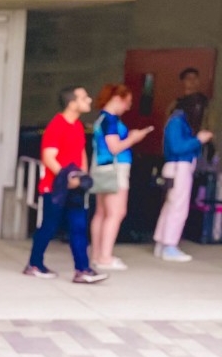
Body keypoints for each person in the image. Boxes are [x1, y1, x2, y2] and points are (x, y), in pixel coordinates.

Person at [23, 86, 108, 284]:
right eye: (84, 97)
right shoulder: (57, 125)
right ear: (72, 103)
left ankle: (82, 270)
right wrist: (66, 178)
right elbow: (48, 157)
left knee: (78, 227)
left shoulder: (77, 125)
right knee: (48, 227)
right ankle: (34, 264)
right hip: (54, 189)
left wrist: (83, 175)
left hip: (75, 187)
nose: (89, 100)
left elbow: (80, 153)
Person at [89, 84, 153, 271]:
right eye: (127, 102)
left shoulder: (101, 119)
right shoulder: (111, 121)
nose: (128, 107)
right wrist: (134, 138)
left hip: (102, 169)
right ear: (117, 99)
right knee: (115, 213)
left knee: (101, 213)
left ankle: (97, 254)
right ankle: (105, 257)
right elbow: (115, 147)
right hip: (115, 170)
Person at [153, 95, 213, 262]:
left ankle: (162, 242)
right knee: (178, 208)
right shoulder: (177, 122)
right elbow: (177, 147)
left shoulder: (178, 121)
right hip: (179, 167)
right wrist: (198, 140)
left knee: (170, 206)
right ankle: (169, 246)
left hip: (177, 168)